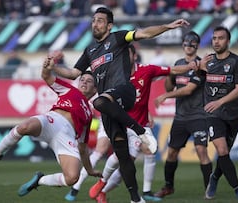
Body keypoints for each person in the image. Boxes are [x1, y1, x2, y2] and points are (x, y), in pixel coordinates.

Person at [52, 7, 190, 203]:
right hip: (110, 108)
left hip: (123, 92)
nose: (95, 23)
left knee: (98, 101)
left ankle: (139, 130)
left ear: (109, 25)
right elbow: (74, 73)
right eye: (93, 20)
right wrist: (53, 67)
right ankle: (136, 199)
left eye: (100, 20)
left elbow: (144, 33)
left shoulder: (118, 38)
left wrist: (167, 26)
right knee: (122, 155)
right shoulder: (90, 50)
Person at [0, 57, 102, 198]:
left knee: (72, 178)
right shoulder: (70, 90)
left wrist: (90, 170)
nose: (84, 81)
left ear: (95, 89)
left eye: (89, 81)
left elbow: (83, 148)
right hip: (52, 121)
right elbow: (46, 76)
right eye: (82, 79)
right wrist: (46, 67)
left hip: (67, 137)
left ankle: (39, 181)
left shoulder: (89, 115)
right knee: (24, 127)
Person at [87, 43, 198, 203]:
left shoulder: (146, 70)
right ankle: (103, 184)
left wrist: (189, 66)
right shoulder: (114, 75)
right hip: (123, 123)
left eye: (127, 55)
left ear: (134, 56)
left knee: (147, 153)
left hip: (141, 124)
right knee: (123, 159)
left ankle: (138, 190)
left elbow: (171, 70)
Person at [153, 31, 213, 199]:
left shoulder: (202, 66)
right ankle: (168, 187)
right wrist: (170, 74)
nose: (188, 45)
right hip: (180, 117)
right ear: (183, 44)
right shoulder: (178, 64)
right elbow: (168, 87)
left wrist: (165, 96)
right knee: (171, 153)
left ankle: (209, 188)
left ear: (197, 45)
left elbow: (188, 90)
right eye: (186, 42)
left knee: (201, 150)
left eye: (192, 43)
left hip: (198, 116)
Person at [200, 26, 238, 203]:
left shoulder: (237, 62)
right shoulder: (207, 62)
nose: (216, 41)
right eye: (214, 38)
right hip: (213, 114)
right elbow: (196, 82)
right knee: (221, 149)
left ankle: (214, 178)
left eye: (220, 38)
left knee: (225, 154)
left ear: (228, 41)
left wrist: (220, 101)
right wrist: (199, 68)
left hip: (233, 114)